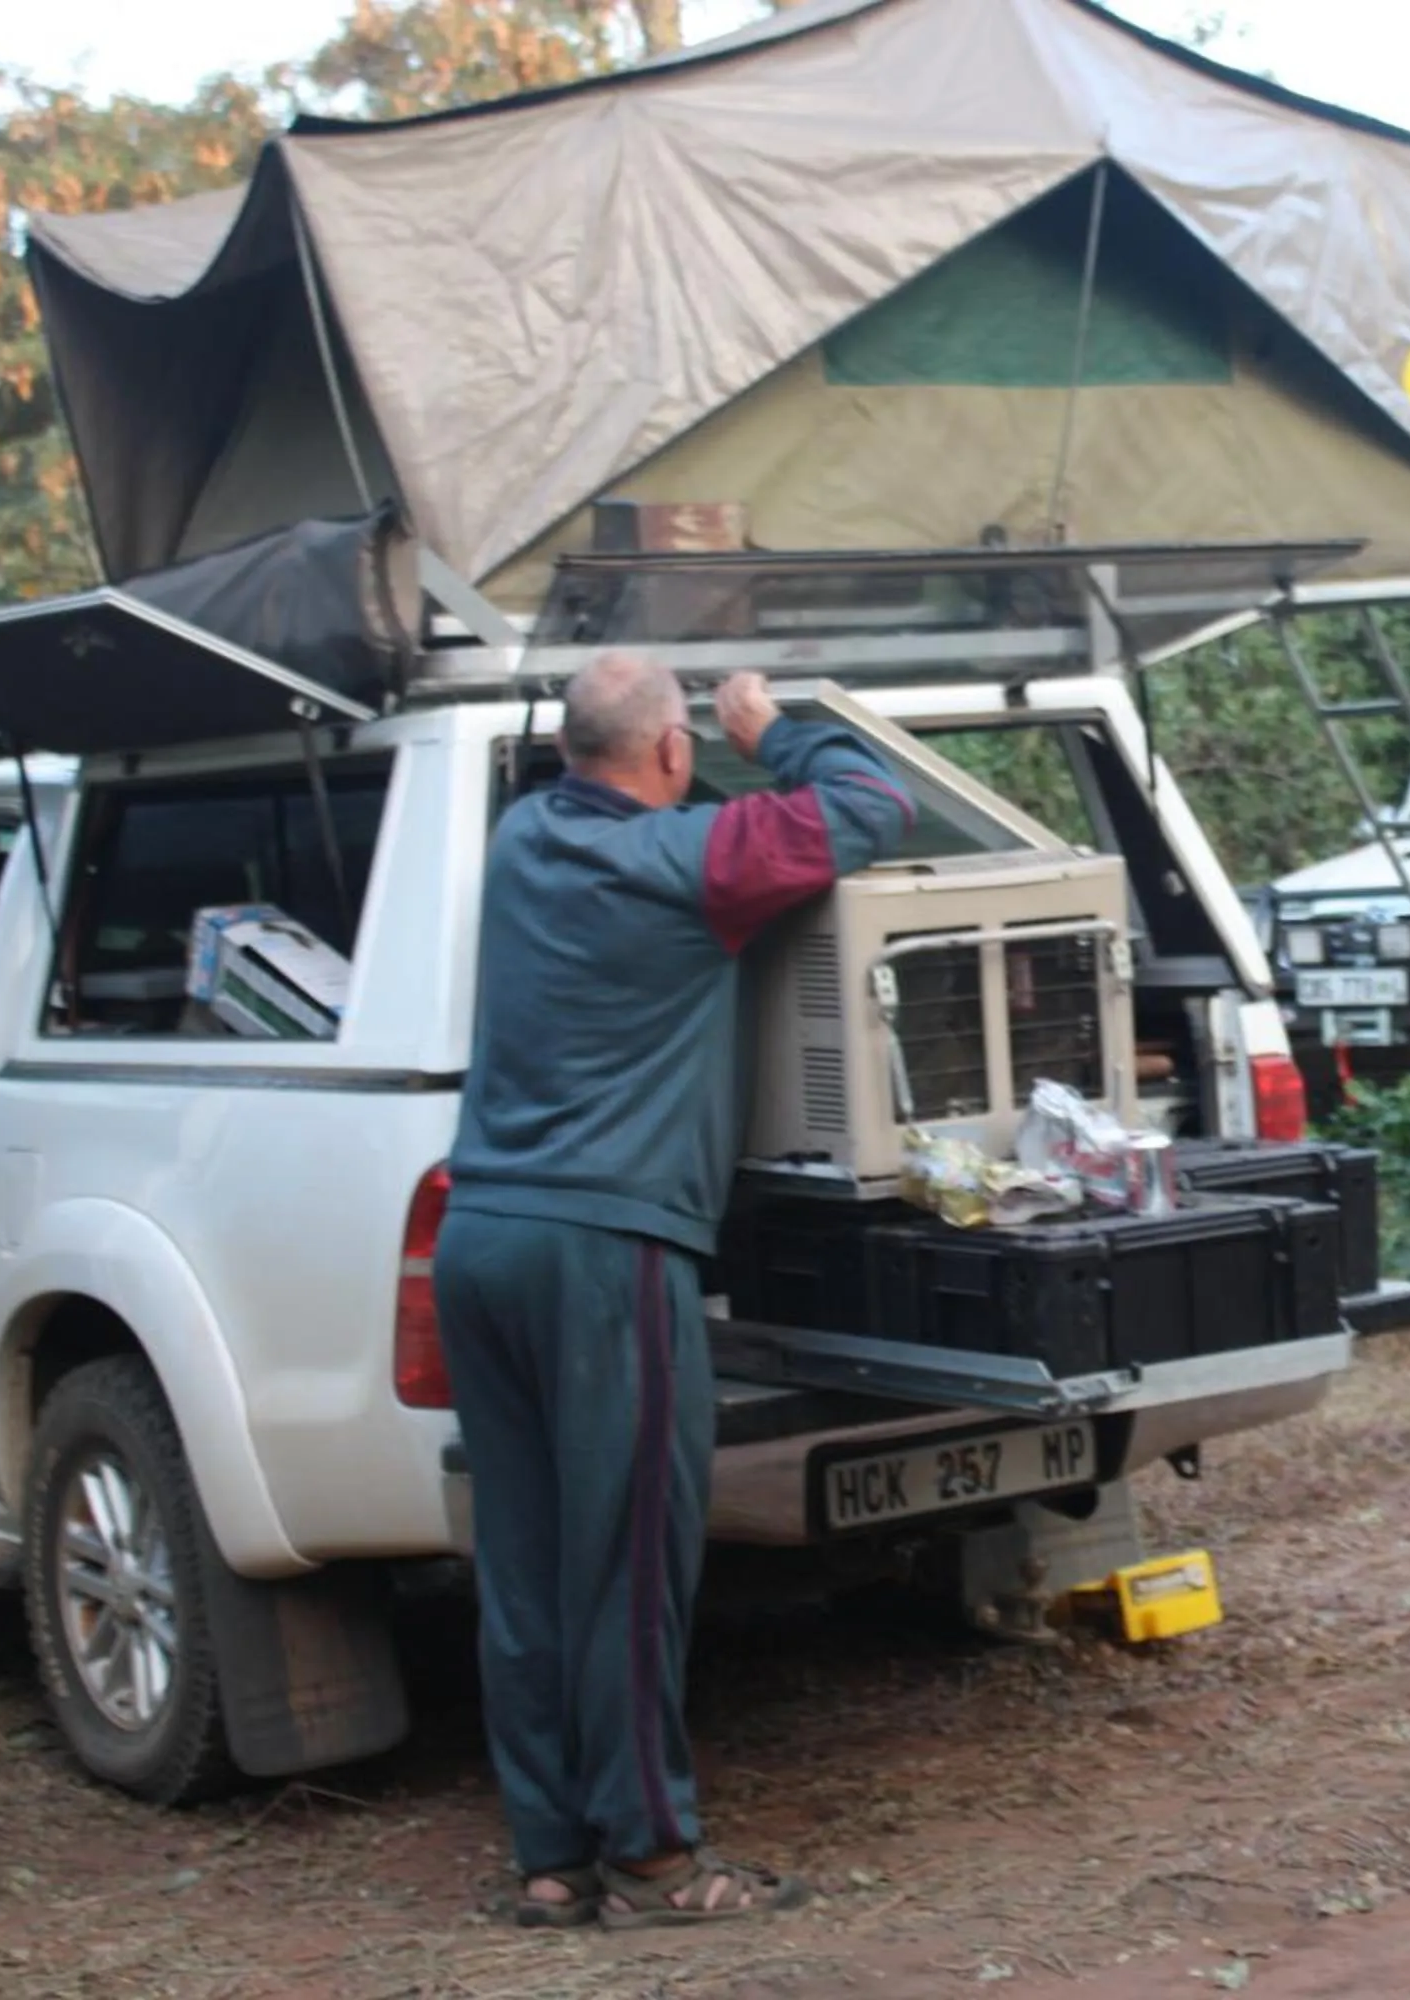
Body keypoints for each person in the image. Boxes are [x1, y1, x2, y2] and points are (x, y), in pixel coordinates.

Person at [434, 657, 912, 1929]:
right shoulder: (690, 860)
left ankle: (551, 1857)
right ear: (671, 755)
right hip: (607, 1249)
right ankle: (652, 1859)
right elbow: (876, 804)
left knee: (527, 1569)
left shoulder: (522, 837)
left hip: (480, 1237)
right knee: (633, 1563)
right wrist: (778, 728)